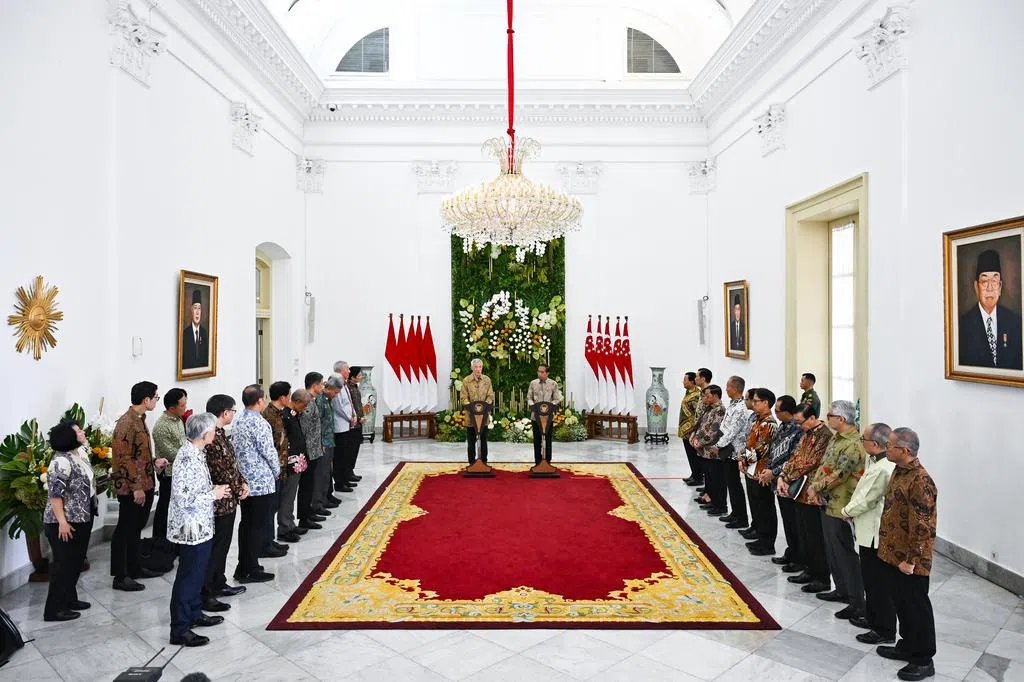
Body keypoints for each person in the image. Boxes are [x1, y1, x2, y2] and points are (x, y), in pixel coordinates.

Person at [875, 428, 938, 682]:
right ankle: (907, 646)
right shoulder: (899, 471)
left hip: (910, 561)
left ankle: (923, 660)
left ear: (904, 450)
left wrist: (911, 561)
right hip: (894, 555)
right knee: (901, 604)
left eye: (889, 445)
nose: (886, 448)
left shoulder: (921, 481)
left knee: (916, 607)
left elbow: (923, 527)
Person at [167, 412, 231, 647]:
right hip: (190, 527)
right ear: (205, 434)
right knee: (189, 576)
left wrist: (211, 489)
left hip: (201, 525)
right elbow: (183, 498)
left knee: (197, 574)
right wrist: (213, 495)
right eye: (212, 430)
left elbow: (194, 488)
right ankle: (180, 629)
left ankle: (194, 613)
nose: (215, 433)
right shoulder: (187, 458)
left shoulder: (197, 452)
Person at [809, 400, 867, 620]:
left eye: (830, 415)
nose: (827, 418)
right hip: (828, 501)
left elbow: (840, 473)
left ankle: (856, 601)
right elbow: (825, 466)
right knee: (832, 550)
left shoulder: (853, 444)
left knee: (844, 553)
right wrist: (815, 487)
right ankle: (841, 590)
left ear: (841, 419)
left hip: (841, 505)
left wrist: (816, 487)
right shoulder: (837, 438)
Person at [842, 423, 896, 645]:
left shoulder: (883, 468)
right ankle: (873, 619)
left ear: (874, 444)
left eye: (863, 439)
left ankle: (883, 629)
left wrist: (846, 512)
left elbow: (867, 499)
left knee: (877, 584)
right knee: (871, 581)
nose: (861, 442)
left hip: (875, 533)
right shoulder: (876, 461)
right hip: (867, 529)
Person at [111, 381, 167, 592]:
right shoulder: (126, 423)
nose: (156, 401)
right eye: (156, 397)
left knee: (135, 529)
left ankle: (134, 568)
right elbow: (123, 458)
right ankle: (120, 575)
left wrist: (153, 462)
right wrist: (136, 487)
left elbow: (137, 455)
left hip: (144, 482)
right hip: (131, 487)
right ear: (146, 399)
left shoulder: (139, 419)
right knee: (125, 529)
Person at [42, 421, 97, 622]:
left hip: (81, 517)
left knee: (75, 561)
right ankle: (54, 609)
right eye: (78, 431)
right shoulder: (60, 461)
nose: (82, 432)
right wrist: (62, 523)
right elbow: (55, 495)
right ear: (69, 437)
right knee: (63, 564)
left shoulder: (79, 454)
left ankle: (69, 599)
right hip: (64, 521)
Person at [201, 394, 249, 612]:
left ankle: (219, 582)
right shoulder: (211, 437)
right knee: (216, 548)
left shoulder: (220, 433)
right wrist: (238, 487)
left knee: (223, 545)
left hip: (230, 498)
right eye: (233, 411)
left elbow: (232, 465)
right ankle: (208, 592)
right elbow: (219, 470)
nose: (233, 414)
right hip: (219, 501)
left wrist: (243, 483)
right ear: (225, 412)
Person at [778, 404, 833, 592]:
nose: (798, 426)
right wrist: (783, 475)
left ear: (812, 418)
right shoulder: (806, 433)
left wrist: (787, 477)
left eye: (800, 422)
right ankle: (809, 570)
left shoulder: (824, 435)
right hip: (799, 491)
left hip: (812, 493)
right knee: (804, 534)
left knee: (815, 536)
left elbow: (811, 462)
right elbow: (795, 456)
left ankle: (822, 577)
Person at [231, 385, 278, 583]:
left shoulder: (238, 419)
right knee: (257, 526)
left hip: (244, 480)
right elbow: (268, 451)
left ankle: (244, 566)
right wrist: (277, 470)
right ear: (259, 401)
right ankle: (250, 568)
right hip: (260, 482)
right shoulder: (259, 423)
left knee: (247, 524)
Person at [758, 396, 803, 570]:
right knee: (787, 520)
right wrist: (768, 470)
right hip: (777, 480)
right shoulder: (783, 426)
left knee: (794, 522)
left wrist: (774, 472)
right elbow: (774, 451)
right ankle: (791, 552)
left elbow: (793, 458)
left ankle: (798, 558)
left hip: (789, 480)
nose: (775, 413)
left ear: (787, 412)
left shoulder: (797, 430)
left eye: (777, 411)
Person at [958, 249, 1023, 369]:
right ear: (976, 287)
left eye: (994, 281)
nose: (990, 288)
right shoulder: (962, 326)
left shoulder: (1015, 322)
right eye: (984, 281)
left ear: (1000, 287)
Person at [739, 388, 778, 556]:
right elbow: (749, 442)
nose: (753, 404)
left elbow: (761, 449)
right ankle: (759, 535)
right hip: (752, 470)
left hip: (762, 473)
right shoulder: (757, 420)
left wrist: (744, 460)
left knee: (765, 508)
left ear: (765, 403)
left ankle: (767, 543)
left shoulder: (769, 424)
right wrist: (742, 460)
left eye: (756, 401)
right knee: (756, 505)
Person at [707, 377, 751, 525]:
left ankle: (741, 518)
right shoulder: (733, 404)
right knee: (730, 484)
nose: (726, 389)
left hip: (734, 451)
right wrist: (718, 442)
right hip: (726, 448)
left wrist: (718, 445)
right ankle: (735, 513)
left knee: (735, 485)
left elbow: (732, 431)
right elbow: (724, 427)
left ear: (735, 388)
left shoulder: (740, 408)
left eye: (728, 386)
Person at [151, 388, 188, 546]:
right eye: (182, 405)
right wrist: (191, 454)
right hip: (169, 473)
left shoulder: (178, 419)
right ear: (172, 408)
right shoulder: (161, 426)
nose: (185, 408)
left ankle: (176, 541)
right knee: (165, 507)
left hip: (181, 471)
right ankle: (160, 543)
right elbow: (171, 453)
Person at [264, 382, 298, 546]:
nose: (290, 398)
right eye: (289, 395)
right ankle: (268, 541)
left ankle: (280, 532)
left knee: (280, 501)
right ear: (283, 397)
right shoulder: (268, 415)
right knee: (271, 507)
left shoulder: (282, 413)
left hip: (283, 464)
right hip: (273, 468)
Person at [690, 385, 726, 510]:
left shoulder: (720, 409)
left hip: (712, 449)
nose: (705, 398)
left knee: (716, 478)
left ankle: (718, 503)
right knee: (709, 476)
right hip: (704, 449)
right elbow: (701, 424)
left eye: (707, 395)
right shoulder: (710, 408)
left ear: (715, 396)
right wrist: (695, 437)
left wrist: (701, 442)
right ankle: (709, 497)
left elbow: (713, 430)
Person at [298, 375, 327, 521]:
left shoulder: (311, 400)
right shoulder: (307, 401)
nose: (323, 387)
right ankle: (304, 517)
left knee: (310, 483)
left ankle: (308, 513)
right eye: (321, 384)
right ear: (314, 385)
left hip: (313, 448)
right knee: (306, 484)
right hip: (308, 450)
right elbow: (304, 427)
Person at [313, 373, 342, 510]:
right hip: (323, 443)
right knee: (321, 474)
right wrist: (320, 443)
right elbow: (317, 424)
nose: (336, 395)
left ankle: (326, 497)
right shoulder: (320, 400)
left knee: (327, 473)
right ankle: (319, 502)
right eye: (335, 392)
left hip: (329, 441)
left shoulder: (327, 399)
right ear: (329, 388)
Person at [459, 358, 495, 465]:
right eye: (476, 367)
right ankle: (471, 463)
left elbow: (490, 395)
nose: (478, 369)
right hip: (471, 416)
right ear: (472, 368)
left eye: (480, 367)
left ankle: (484, 462)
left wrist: (484, 406)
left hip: (483, 416)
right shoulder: (466, 381)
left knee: (483, 440)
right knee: (471, 441)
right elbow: (463, 398)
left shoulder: (487, 380)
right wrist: (472, 407)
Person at [329, 368, 358, 492]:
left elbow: (349, 403)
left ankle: (345, 479)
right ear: (341, 370)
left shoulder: (344, 384)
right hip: (340, 425)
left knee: (345, 454)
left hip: (346, 424)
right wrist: (350, 417)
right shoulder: (336, 382)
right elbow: (338, 406)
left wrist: (354, 415)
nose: (349, 370)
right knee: (340, 457)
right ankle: (340, 482)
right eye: (347, 368)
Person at [527, 364, 563, 465]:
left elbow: (556, 399)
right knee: (537, 440)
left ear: (547, 373)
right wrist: (532, 405)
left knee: (547, 440)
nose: (540, 373)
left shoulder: (553, 384)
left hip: (548, 417)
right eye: (538, 371)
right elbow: (529, 397)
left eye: (542, 372)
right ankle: (537, 462)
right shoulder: (533, 383)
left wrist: (549, 406)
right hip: (536, 417)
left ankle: (547, 462)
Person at [678, 372, 703, 485]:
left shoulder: (697, 395)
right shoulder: (689, 393)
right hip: (686, 430)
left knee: (694, 455)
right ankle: (694, 474)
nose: (683, 382)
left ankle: (698, 477)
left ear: (692, 381)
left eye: (685, 380)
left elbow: (698, 414)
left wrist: (695, 430)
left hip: (692, 431)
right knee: (690, 455)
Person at [344, 367, 367, 485]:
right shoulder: (347, 387)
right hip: (352, 424)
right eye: (359, 375)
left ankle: (351, 471)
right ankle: (347, 472)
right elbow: (349, 407)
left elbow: (358, 404)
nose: (361, 377)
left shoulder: (355, 387)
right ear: (353, 377)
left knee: (355, 449)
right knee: (350, 450)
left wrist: (361, 416)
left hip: (358, 423)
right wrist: (357, 418)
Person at [181, 289, 210, 370]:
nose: (197, 312)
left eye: (199, 308)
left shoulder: (204, 333)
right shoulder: (185, 333)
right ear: (191, 310)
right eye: (195, 308)